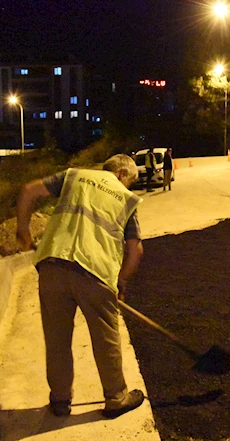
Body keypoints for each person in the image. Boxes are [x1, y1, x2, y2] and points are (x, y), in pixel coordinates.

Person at [16, 154, 146, 419]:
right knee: (106, 337)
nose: (127, 187)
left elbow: (29, 190)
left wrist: (23, 229)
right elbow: (136, 252)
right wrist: (120, 283)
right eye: (129, 181)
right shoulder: (125, 198)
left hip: (52, 266)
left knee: (57, 339)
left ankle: (60, 401)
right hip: (95, 273)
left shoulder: (74, 175)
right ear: (122, 173)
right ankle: (116, 397)